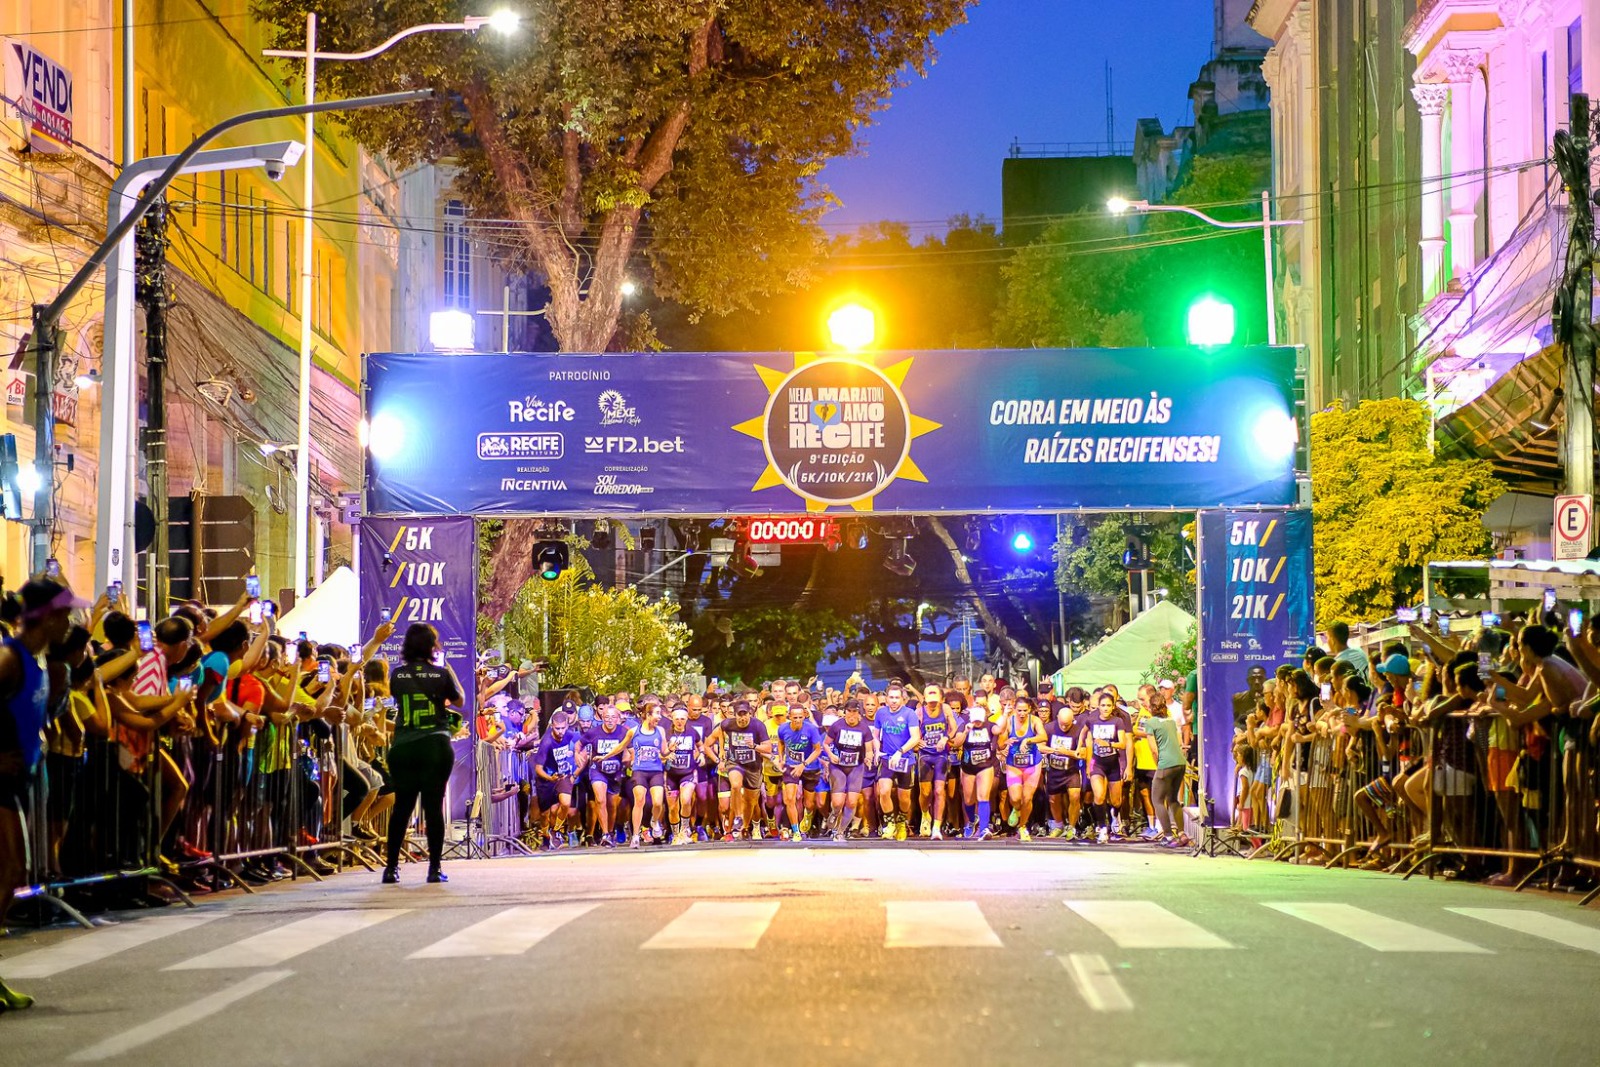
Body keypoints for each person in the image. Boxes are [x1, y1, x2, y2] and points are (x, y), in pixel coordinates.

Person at [1, 579, 84, 1014]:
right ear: (46, 616)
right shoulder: (7, 658)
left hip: (17, 782)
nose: (68, 622)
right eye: (65, 614)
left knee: (14, 872)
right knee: (12, 868)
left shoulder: (38, 662)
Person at [382, 624, 465, 884]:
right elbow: (460, 699)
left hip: (404, 745)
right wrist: (446, 666)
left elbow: (395, 697)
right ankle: (434, 868)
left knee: (402, 808)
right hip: (434, 745)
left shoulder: (397, 675)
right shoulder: (440, 674)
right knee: (433, 807)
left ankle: (391, 868)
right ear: (432, 646)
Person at [707, 700, 772, 840]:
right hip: (735, 763)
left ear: (750, 714)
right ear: (734, 715)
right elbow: (708, 743)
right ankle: (737, 817)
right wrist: (719, 759)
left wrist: (754, 746)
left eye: (745, 715)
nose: (742, 718)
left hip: (753, 766)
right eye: (739, 715)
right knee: (735, 785)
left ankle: (744, 827)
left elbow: (768, 748)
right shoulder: (727, 724)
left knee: (750, 801)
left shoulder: (758, 725)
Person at [873, 683, 921, 840]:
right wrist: (876, 751)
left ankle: (901, 821)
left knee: (904, 797)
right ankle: (889, 822)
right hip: (887, 758)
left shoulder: (910, 714)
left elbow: (916, 738)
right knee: (884, 791)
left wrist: (900, 752)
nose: (893, 701)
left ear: (903, 699)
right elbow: (876, 735)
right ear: (886, 699)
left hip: (905, 759)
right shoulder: (881, 713)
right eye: (891, 697)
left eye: (897, 698)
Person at [583, 704, 636, 848]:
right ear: (602, 718)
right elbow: (579, 744)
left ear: (618, 719)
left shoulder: (624, 732)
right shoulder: (594, 732)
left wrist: (629, 762)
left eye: (613, 717)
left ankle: (610, 831)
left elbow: (632, 752)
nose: (610, 720)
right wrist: (578, 756)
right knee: (600, 800)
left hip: (615, 772)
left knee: (612, 805)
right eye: (607, 717)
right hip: (597, 770)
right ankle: (605, 834)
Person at [823, 699, 876, 842]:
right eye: (849, 711)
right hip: (838, 766)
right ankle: (834, 813)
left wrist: (868, 758)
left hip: (856, 767)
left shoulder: (864, 728)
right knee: (838, 802)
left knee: (852, 802)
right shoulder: (837, 726)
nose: (852, 715)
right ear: (845, 712)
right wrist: (831, 755)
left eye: (855, 712)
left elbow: (869, 749)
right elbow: (826, 744)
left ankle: (840, 831)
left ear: (859, 713)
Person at [999, 692, 1047, 842]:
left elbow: (1044, 736)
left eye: (1025, 710)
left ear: (1029, 710)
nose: (1022, 713)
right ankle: (1016, 808)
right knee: (1015, 798)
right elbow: (1000, 744)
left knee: (1027, 798)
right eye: (1019, 710)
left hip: (1032, 763)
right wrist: (1005, 742)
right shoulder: (1009, 721)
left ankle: (1022, 826)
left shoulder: (1035, 720)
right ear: (1014, 709)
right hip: (1014, 763)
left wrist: (1028, 740)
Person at [1084, 691, 1131, 844]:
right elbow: (1088, 741)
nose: (1105, 708)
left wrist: (1108, 744)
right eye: (1103, 705)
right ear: (1098, 706)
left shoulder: (1118, 721)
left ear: (1113, 707)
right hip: (1097, 763)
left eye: (1108, 706)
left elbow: (1123, 743)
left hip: (1113, 764)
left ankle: (1113, 814)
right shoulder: (1092, 720)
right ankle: (1102, 828)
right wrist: (1087, 764)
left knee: (1116, 801)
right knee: (1099, 796)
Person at [952, 696, 999, 840]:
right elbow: (956, 743)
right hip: (968, 766)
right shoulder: (965, 725)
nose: (977, 722)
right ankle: (972, 821)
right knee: (968, 799)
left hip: (985, 765)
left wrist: (1006, 713)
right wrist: (966, 731)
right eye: (975, 719)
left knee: (983, 796)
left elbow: (1000, 729)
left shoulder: (990, 725)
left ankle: (984, 828)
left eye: (980, 719)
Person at [775, 705, 824, 840]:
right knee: (790, 798)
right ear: (789, 716)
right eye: (794, 717)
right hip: (791, 765)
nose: (797, 720)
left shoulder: (811, 729)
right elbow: (780, 742)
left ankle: (808, 816)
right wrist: (780, 758)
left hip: (810, 766)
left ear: (804, 716)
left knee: (809, 803)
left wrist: (804, 764)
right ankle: (796, 830)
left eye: (800, 717)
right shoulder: (783, 728)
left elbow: (818, 750)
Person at [532, 712, 580, 849]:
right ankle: (546, 837)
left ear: (567, 726)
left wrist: (577, 753)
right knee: (546, 813)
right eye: (557, 728)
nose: (560, 732)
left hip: (562, 775)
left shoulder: (570, 734)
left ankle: (557, 830)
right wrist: (549, 778)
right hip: (546, 778)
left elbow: (582, 742)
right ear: (552, 726)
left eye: (563, 728)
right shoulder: (546, 742)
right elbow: (538, 769)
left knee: (566, 803)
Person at [916, 685, 958, 839]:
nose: (933, 704)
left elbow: (954, 728)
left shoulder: (946, 709)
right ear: (925, 699)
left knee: (939, 790)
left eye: (935, 701)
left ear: (941, 699)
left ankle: (936, 827)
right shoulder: (919, 712)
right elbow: (912, 731)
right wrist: (917, 740)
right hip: (925, 755)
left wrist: (946, 737)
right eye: (930, 701)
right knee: (925, 792)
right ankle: (925, 814)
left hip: (941, 754)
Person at [628, 703, 667, 848]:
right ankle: (636, 835)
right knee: (639, 800)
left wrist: (671, 751)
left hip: (655, 769)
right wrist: (606, 756)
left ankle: (654, 821)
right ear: (648, 715)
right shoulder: (634, 731)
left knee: (657, 802)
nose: (659, 717)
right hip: (639, 770)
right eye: (657, 713)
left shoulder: (660, 731)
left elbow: (664, 752)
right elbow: (622, 745)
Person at [664, 705, 701, 844]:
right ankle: (675, 834)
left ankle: (685, 830)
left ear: (687, 719)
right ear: (672, 719)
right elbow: (660, 753)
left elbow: (700, 744)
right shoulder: (666, 734)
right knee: (673, 807)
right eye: (677, 719)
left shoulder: (692, 731)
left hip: (688, 772)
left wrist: (701, 754)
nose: (680, 722)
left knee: (686, 800)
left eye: (683, 719)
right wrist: (667, 754)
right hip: (671, 774)